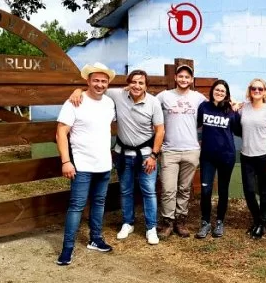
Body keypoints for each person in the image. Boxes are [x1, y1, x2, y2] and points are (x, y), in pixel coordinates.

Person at [68, 69, 165, 246]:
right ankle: (128, 223)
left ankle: (151, 227)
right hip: (123, 153)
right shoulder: (118, 94)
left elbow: (160, 130)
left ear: (146, 86)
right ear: (128, 83)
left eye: (141, 83)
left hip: (146, 155)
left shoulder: (153, 103)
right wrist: (78, 91)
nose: (137, 86)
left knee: (149, 191)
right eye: (133, 82)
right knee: (125, 190)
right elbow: (96, 88)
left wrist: (153, 155)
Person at [56, 62, 116, 266]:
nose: (100, 84)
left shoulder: (109, 102)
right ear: (88, 81)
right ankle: (67, 249)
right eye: (96, 80)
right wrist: (66, 161)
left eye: (103, 81)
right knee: (76, 206)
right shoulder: (74, 102)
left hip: (104, 164)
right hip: (81, 165)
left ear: (108, 83)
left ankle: (95, 239)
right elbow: (61, 133)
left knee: (99, 203)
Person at [156, 64, 207, 239]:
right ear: (176, 78)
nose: (184, 79)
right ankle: (167, 222)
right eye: (181, 76)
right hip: (170, 150)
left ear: (191, 80)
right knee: (168, 189)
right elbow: (148, 106)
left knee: (185, 189)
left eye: (187, 77)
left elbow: (215, 107)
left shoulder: (198, 98)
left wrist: (235, 104)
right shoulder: (164, 96)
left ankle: (180, 220)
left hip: (191, 150)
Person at [195, 80, 241, 239]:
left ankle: (220, 222)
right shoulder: (204, 107)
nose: (220, 93)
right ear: (212, 91)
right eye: (217, 90)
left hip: (226, 156)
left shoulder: (231, 110)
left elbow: (239, 131)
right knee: (206, 190)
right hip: (207, 156)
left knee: (222, 190)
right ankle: (205, 222)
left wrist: (237, 110)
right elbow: (197, 124)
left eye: (223, 91)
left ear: (227, 94)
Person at [239, 78, 266, 239]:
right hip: (246, 156)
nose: (257, 91)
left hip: (263, 155)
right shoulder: (243, 108)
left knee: (263, 191)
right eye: (254, 88)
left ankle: (262, 224)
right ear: (250, 90)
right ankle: (257, 220)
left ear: (265, 92)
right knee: (248, 191)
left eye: (260, 89)